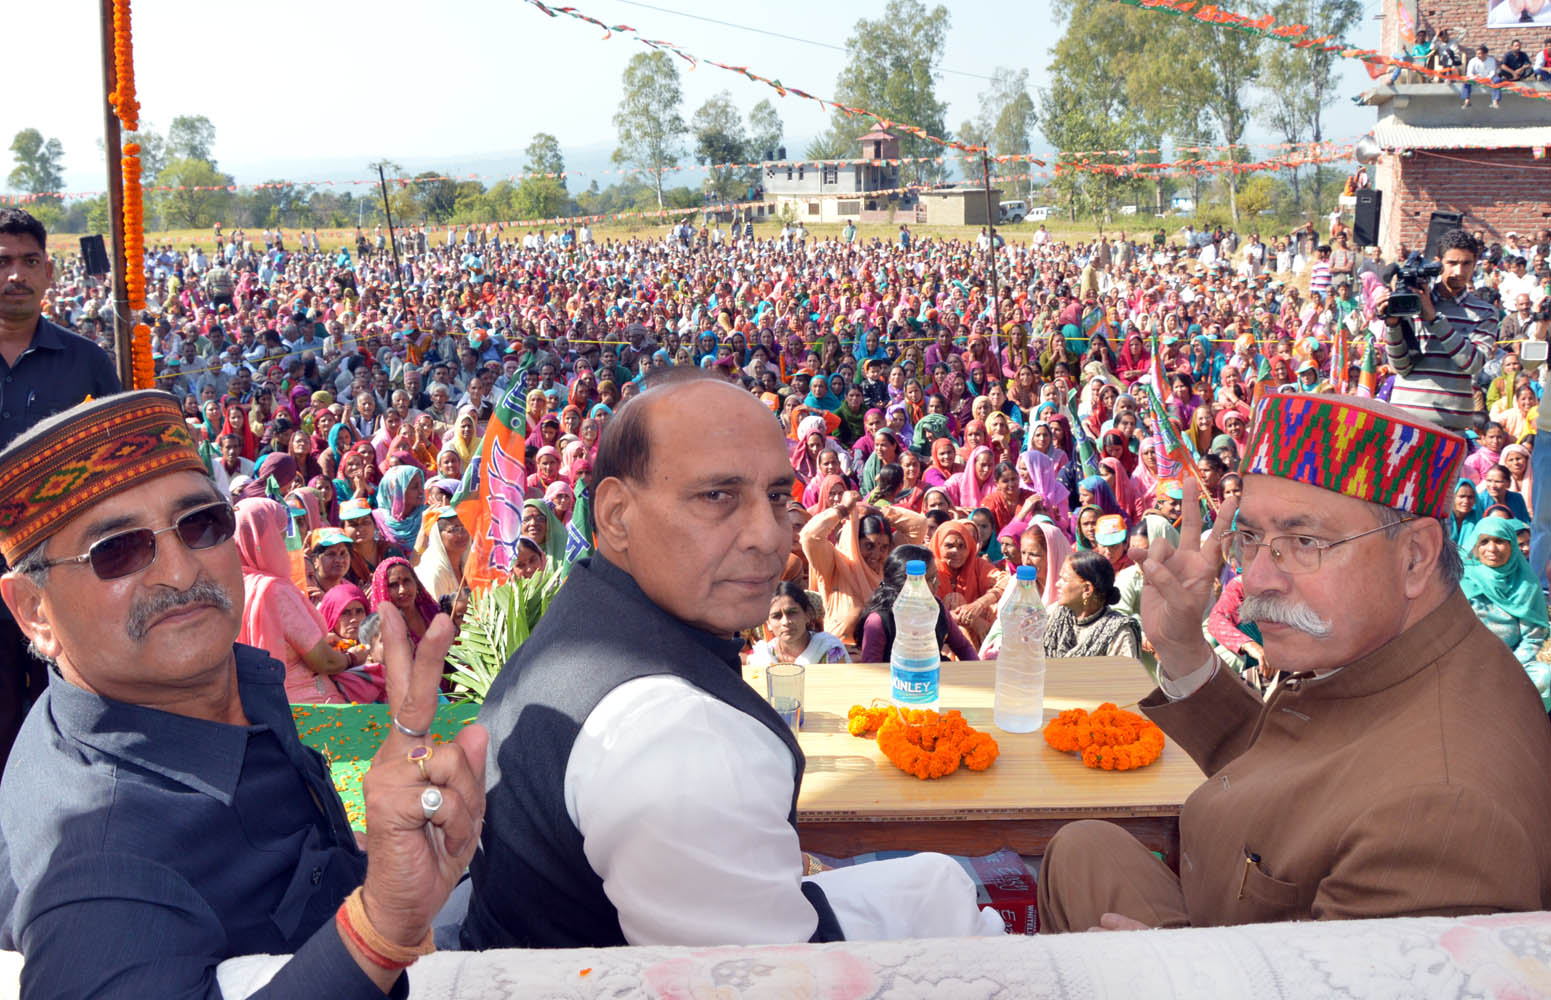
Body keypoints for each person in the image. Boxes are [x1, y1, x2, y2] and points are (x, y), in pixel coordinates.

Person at [464, 371, 1003, 951]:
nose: (769, 536)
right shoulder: (680, 740)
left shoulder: (592, 613)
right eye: (717, 496)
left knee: (937, 885)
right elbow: (770, 977)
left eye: (776, 496)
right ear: (616, 515)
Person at [0, 389, 486, 996]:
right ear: (33, 612)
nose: (181, 571)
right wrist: (381, 925)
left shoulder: (226, 681)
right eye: (117, 551)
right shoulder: (95, 864)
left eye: (202, 524)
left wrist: (386, 851)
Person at [1037, 392, 1551, 934]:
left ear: (1416, 557)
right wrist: (1185, 648)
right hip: (1229, 914)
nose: (1256, 579)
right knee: (1081, 848)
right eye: (1253, 538)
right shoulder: (1393, 646)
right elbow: (1299, 754)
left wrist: (1171, 972)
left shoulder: (1440, 816)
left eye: (1305, 542)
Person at [0, 208, 123, 773]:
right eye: (2, 262)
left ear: (50, 272)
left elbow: (119, 470)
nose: (15, 276)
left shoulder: (87, 363)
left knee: (74, 721)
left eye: (29, 262)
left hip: (68, 580)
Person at [1372, 229, 1495, 432]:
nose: (1459, 272)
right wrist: (1393, 323)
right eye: (1452, 263)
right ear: (1437, 263)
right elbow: (1400, 366)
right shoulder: (1411, 302)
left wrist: (1434, 319)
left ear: (1475, 264)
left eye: (1466, 264)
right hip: (1407, 421)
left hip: (1452, 426)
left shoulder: (1485, 312)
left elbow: (1473, 363)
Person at [235, 498, 353, 704]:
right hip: (309, 709)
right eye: (280, 538)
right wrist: (352, 658)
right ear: (265, 541)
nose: (284, 547)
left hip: (255, 706)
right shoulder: (273, 590)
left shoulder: (231, 587)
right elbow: (324, 661)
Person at [1462, 517, 1551, 708]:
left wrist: (1506, 666)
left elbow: (1533, 638)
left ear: (1512, 545)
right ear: (1475, 546)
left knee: (1544, 676)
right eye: (1484, 541)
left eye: (1500, 541)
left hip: (1513, 662)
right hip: (1467, 661)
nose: (1492, 549)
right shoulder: (1463, 580)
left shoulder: (1526, 583)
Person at [857, 545, 980, 663]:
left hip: (934, 676)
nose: (938, 584)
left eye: (937, 577)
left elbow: (963, 647)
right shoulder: (879, 621)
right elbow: (873, 671)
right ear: (907, 583)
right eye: (931, 579)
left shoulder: (936, 607)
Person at [1043, 549, 1141, 658]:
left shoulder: (1119, 633)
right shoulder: (1054, 614)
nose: (1057, 584)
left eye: (1064, 579)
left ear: (1087, 589)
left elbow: (1126, 674)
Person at [746, 583, 850, 666]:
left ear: (807, 615)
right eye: (777, 616)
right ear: (768, 623)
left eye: (792, 612)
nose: (786, 622)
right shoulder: (765, 657)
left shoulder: (829, 649)